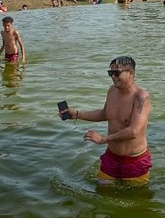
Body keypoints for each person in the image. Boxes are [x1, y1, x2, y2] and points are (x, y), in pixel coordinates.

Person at [60, 56, 152, 184]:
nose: (113, 77)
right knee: (102, 191)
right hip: (111, 157)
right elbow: (105, 114)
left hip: (134, 160)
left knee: (137, 200)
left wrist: (103, 139)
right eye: (110, 73)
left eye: (116, 73)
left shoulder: (141, 97)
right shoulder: (112, 91)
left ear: (131, 73)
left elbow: (133, 131)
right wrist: (77, 114)